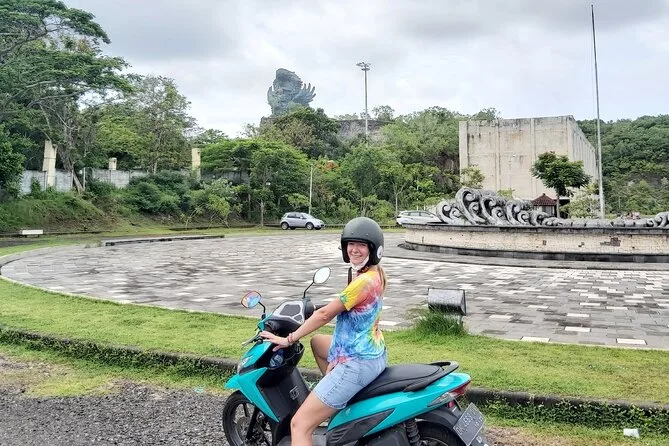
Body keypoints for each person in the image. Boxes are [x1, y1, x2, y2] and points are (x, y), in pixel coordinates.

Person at [260, 216, 388, 446]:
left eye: (361, 245)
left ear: (373, 249)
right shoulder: (373, 273)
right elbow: (345, 305)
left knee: (299, 425)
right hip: (372, 352)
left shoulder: (363, 281)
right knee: (318, 342)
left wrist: (289, 339)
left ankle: (331, 398)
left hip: (357, 362)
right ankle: (335, 403)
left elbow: (325, 315)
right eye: (350, 244)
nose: (354, 249)